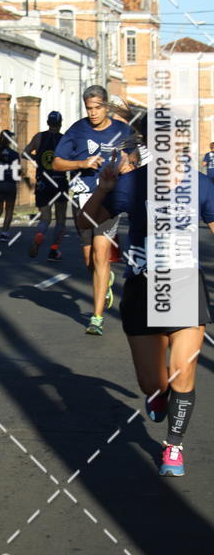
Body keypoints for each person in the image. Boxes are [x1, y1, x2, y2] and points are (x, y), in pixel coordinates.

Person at [80, 122, 214, 477]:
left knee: (182, 374)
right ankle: (157, 395)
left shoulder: (201, 185)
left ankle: (174, 446)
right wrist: (103, 189)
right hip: (142, 289)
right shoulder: (132, 183)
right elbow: (85, 221)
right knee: (153, 383)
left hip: (185, 285)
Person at [52, 85, 133, 335]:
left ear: (106, 106)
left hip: (110, 196)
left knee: (101, 253)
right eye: (89, 108)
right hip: (84, 195)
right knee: (89, 259)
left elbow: (133, 159)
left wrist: (126, 166)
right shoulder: (77, 129)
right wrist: (81, 162)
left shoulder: (122, 130)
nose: (93, 113)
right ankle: (104, 282)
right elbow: (56, 163)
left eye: (98, 108)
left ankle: (96, 317)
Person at [24, 111, 68, 260]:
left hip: (43, 182)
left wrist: (36, 158)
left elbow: (24, 153)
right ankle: (54, 250)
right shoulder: (64, 140)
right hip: (59, 181)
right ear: (60, 124)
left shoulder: (39, 137)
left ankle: (39, 234)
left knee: (45, 218)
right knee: (60, 219)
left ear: (48, 123)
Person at [0, 129, 20, 241]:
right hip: (10, 184)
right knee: (9, 210)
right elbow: (17, 171)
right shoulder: (14, 155)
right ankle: (4, 233)